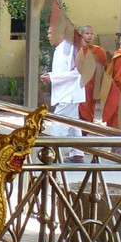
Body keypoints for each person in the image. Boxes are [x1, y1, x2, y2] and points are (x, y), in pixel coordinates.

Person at [39, 28, 86, 161]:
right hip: (65, 93)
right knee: (73, 125)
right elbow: (63, 71)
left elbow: (76, 72)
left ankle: (53, 154)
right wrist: (51, 76)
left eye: (50, 33)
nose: (48, 36)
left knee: (58, 123)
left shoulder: (70, 48)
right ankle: (77, 153)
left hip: (69, 94)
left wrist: (53, 77)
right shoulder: (60, 49)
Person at [74, 24, 109, 125]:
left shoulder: (99, 51)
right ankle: (80, 129)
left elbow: (104, 68)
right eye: (87, 33)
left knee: (89, 108)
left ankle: (86, 129)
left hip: (93, 86)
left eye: (92, 34)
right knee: (79, 109)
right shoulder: (77, 50)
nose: (89, 35)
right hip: (79, 85)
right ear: (81, 35)